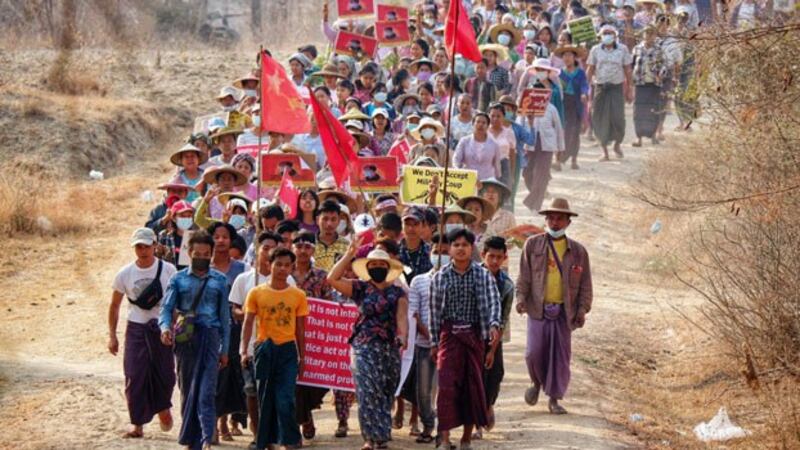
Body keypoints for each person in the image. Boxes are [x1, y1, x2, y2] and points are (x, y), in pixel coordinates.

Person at [327, 242, 409, 450]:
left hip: (389, 347)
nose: (378, 267)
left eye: (382, 264)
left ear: (389, 268)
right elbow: (332, 279)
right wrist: (348, 254)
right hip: (364, 344)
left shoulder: (398, 293)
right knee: (366, 389)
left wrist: (403, 337)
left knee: (384, 390)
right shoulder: (360, 288)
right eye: (373, 264)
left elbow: (402, 318)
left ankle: (381, 435)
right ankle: (371, 437)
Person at [516, 198, 593, 415]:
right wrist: (521, 298)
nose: (555, 222)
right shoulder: (532, 245)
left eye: (560, 218)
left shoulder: (579, 252)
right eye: (551, 218)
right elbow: (524, 277)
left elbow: (585, 285)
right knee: (534, 352)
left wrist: (582, 309)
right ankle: (536, 382)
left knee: (560, 357)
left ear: (568, 222)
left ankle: (554, 398)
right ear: (546, 220)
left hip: (564, 312)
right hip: (538, 310)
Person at [429, 228, 501, 450]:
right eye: (456, 245)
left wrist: (493, 329)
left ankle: (466, 439)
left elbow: (492, 304)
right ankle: (445, 438)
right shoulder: (440, 277)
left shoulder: (483, 275)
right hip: (448, 338)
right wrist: (433, 341)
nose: (460, 249)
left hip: (474, 338)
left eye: (465, 245)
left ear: (472, 249)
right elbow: (433, 313)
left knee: (472, 387)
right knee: (446, 387)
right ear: (449, 249)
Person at [159, 231, 231, 450]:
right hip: (186, 339)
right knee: (188, 390)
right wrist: (164, 328)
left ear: (211, 254)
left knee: (207, 392)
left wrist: (225, 349)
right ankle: (191, 441)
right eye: (197, 253)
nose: (201, 256)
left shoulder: (220, 280)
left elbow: (225, 319)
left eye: (206, 253)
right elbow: (166, 309)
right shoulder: (178, 279)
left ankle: (206, 438)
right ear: (189, 253)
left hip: (210, 338)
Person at [108, 228, 177, 439]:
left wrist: (175, 327)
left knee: (164, 373)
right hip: (137, 328)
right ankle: (137, 423)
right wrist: (112, 335)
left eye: (147, 246)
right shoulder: (125, 274)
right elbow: (114, 306)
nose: (143, 250)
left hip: (162, 327)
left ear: (155, 245)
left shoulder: (169, 270)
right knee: (134, 375)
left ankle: (163, 407)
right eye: (139, 246)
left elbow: (177, 302)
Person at [242, 247, 308, 450]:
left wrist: (302, 357)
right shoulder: (256, 292)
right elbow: (247, 322)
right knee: (265, 398)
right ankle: (266, 442)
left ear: (292, 268)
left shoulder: (298, 295)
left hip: (287, 351)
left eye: (287, 265)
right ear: (269, 265)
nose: (282, 269)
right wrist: (244, 351)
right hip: (264, 349)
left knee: (285, 399)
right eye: (278, 264)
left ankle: (290, 441)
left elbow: (300, 328)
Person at [228, 231, 287, 449]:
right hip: (252, 344)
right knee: (252, 390)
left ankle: (271, 434)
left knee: (272, 392)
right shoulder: (244, 279)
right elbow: (234, 309)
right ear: (258, 250)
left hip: (278, 344)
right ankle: (256, 429)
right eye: (265, 247)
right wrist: (247, 313)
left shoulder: (286, 279)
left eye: (273, 247)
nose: (269, 251)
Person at [290, 231, 333, 440]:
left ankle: (306, 414)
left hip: (314, 337)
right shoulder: (283, 272)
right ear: (292, 248)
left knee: (313, 381)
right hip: (286, 334)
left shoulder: (321, 276)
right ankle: (300, 422)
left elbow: (329, 304)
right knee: (293, 381)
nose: (303, 251)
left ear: (313, 250)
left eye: (307, 247)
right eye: (299, 246)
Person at [207, 222, 247, 444]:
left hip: (236, 330)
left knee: (233, 377)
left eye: (225, 236)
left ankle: (224, 421)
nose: (220, 240)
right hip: (211, 330)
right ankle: (213, 423)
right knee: (216, 377)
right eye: (216, 236)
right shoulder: (204, 267)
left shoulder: (242, 269)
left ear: (231, 240)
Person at [408, 232, 449, 444]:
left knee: (445, 390)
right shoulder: (418, 281)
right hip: (424, 345)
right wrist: (431, 335)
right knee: (423, 390)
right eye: (436, 252)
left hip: (449, 346)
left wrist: (443, 338)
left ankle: (444, 430)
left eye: (444, 252)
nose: (440, 256)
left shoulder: (453, 280)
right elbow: (414, 314)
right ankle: (428, 425)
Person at [478, 236, 514, 436]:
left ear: (504, 258)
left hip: (492, 337)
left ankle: (488, 405)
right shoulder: (473, 275)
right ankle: (477, 422)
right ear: (483, 255)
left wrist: (492, 349)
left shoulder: (507, 285)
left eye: (498, 257)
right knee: (476, 377)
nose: (494, 261)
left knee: (495, 374)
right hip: (472, 334)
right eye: (491, 256)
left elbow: (503, 319)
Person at [586, 25, 633, 161]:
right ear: (600, 36)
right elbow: (590, 69)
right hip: (600, 88)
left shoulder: (622, 49)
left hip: (616, 88)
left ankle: (617, 144)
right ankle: (604, 151)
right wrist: (585, 87)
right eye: (605, 33)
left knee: (618, 118)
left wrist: (630, 89)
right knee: (599, 118)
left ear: (615, 36)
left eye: (610, 33)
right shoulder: (595, 50)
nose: (607, 35)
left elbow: (628, 69)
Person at [631, 26, 667, 147]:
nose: (649, 36)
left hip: (654, 84)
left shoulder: (659, 50)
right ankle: (639, 138)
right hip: (640, 83)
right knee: (639, 110)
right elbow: (632, 65)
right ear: (643, 35)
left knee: (653, 110)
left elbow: (664, 66)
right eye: (647, 33)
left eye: (652, 34)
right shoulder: (637, 49)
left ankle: (652, 136)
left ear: (655, 36)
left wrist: (660, 75)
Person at [555, 46, 589, 169]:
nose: (567, 58)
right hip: (563, 103)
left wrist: (584, 93)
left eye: (570, 55)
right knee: (561, 131)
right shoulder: (560, 73)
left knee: (574, 132)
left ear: (574, 57)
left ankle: (573, 159)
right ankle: (558, 159)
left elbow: (584, 85)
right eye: (564, 55)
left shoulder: (580, 73)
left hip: (576, 103)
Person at [454, 112, 502, 181]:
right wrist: (458, 172)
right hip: (468, 179)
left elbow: (497, 165)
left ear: (488, 126)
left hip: (487, 180)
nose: (480, 125)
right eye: (478, 122)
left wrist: (497, 181)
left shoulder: (494, 145)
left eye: (484, 123)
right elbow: (456, 159)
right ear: (473, 124)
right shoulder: (464, 141)